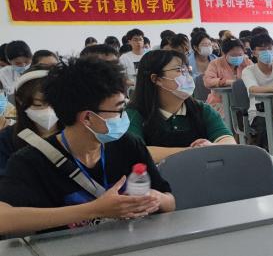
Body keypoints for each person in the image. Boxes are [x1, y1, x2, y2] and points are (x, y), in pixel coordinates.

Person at [0, 58, 175, 235]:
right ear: (88, 118)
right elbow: (3, 220)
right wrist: (94, 210)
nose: (124, 116)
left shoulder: (128, 145)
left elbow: (170, 202)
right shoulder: (31, 162)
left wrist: (156, 199)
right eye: (119, 109)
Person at [126, 50, 236, 163]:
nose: (187, 76)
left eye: (187, 70)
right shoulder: (135, 113)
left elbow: (228, 142)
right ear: (156, 79)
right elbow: (135, 152)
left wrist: (210, 146)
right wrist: (192, 151)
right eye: (179, 70)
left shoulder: (202, 110)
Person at [0, 66, 56, 175]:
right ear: (20, 101)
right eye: (38, 105)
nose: (49, 111)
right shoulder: (6, 140)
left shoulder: (76, 133)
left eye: (54, 103)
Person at [239, 34, 273, 137]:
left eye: (269, 48)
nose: (267, 52)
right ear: (254, 53)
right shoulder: (248, 70)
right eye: (262, 49)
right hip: (259, 113)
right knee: (270, 128)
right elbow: (253, 89)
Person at [202, 39, 253, 113]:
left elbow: (255, 78)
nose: (237, 57)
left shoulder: (246, 62)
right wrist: (226, 82)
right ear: (224, 53)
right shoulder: (215, 63)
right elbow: (207, 81)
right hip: (220, 102)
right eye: (233, 55)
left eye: (240, 55)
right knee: (227, 115)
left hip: (244, 101)